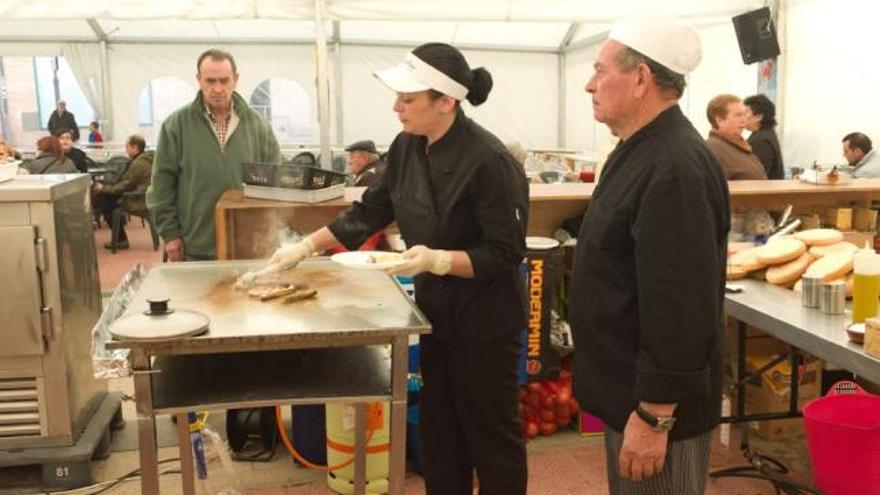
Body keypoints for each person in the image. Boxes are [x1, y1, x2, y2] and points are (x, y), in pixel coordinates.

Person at [266, 43, 529, 494]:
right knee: (441, 433)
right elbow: (370, 211)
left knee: (490, 438)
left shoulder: (490, 161)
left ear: (445, 102)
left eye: (407, 100)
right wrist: (305, 247)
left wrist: (439, 260)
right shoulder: (407, 147)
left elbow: (504, 254)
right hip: (434, 315)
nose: (396, 107)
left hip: (485, 323)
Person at [571, 17, 729, 495]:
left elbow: (680, 305)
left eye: (600, 71)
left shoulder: (674, 168)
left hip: (658, 410)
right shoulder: (638, 149)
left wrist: (655, 417)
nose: (589, 84)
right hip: (630, 395)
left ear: (641, 78)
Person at [147, 48, 280, 261]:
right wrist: (170, 234)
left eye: (224, 80)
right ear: (199, 80)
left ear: (235, 79)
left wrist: (268, 230)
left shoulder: (258, 126)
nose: (217, 88)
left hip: (247, 242)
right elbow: (161, 184)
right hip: (195, 244)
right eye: (210, 81)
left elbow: (274, 181)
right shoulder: (176, 125)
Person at [93, 135, 153, 249]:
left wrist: (103, 188)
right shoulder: (144, 159)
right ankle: (120, 238)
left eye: (127, 146)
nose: (125, 149)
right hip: (142, 195)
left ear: (135, 148)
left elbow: (125, 185)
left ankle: (120, 240)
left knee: (107, 204)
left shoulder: (138, 163)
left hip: (138, 199)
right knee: (107, 199)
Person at [706, 94, 767, 180]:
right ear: (720, 121)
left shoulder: (737, 145)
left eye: (745, 114)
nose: (744, 120)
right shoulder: (714, 149)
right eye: (738, 115)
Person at [744, 93, 784, 179]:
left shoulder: (762, 141)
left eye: (746, 112)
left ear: (759, 117)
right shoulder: (764, 134)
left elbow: (758, 175)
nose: (742, 117)